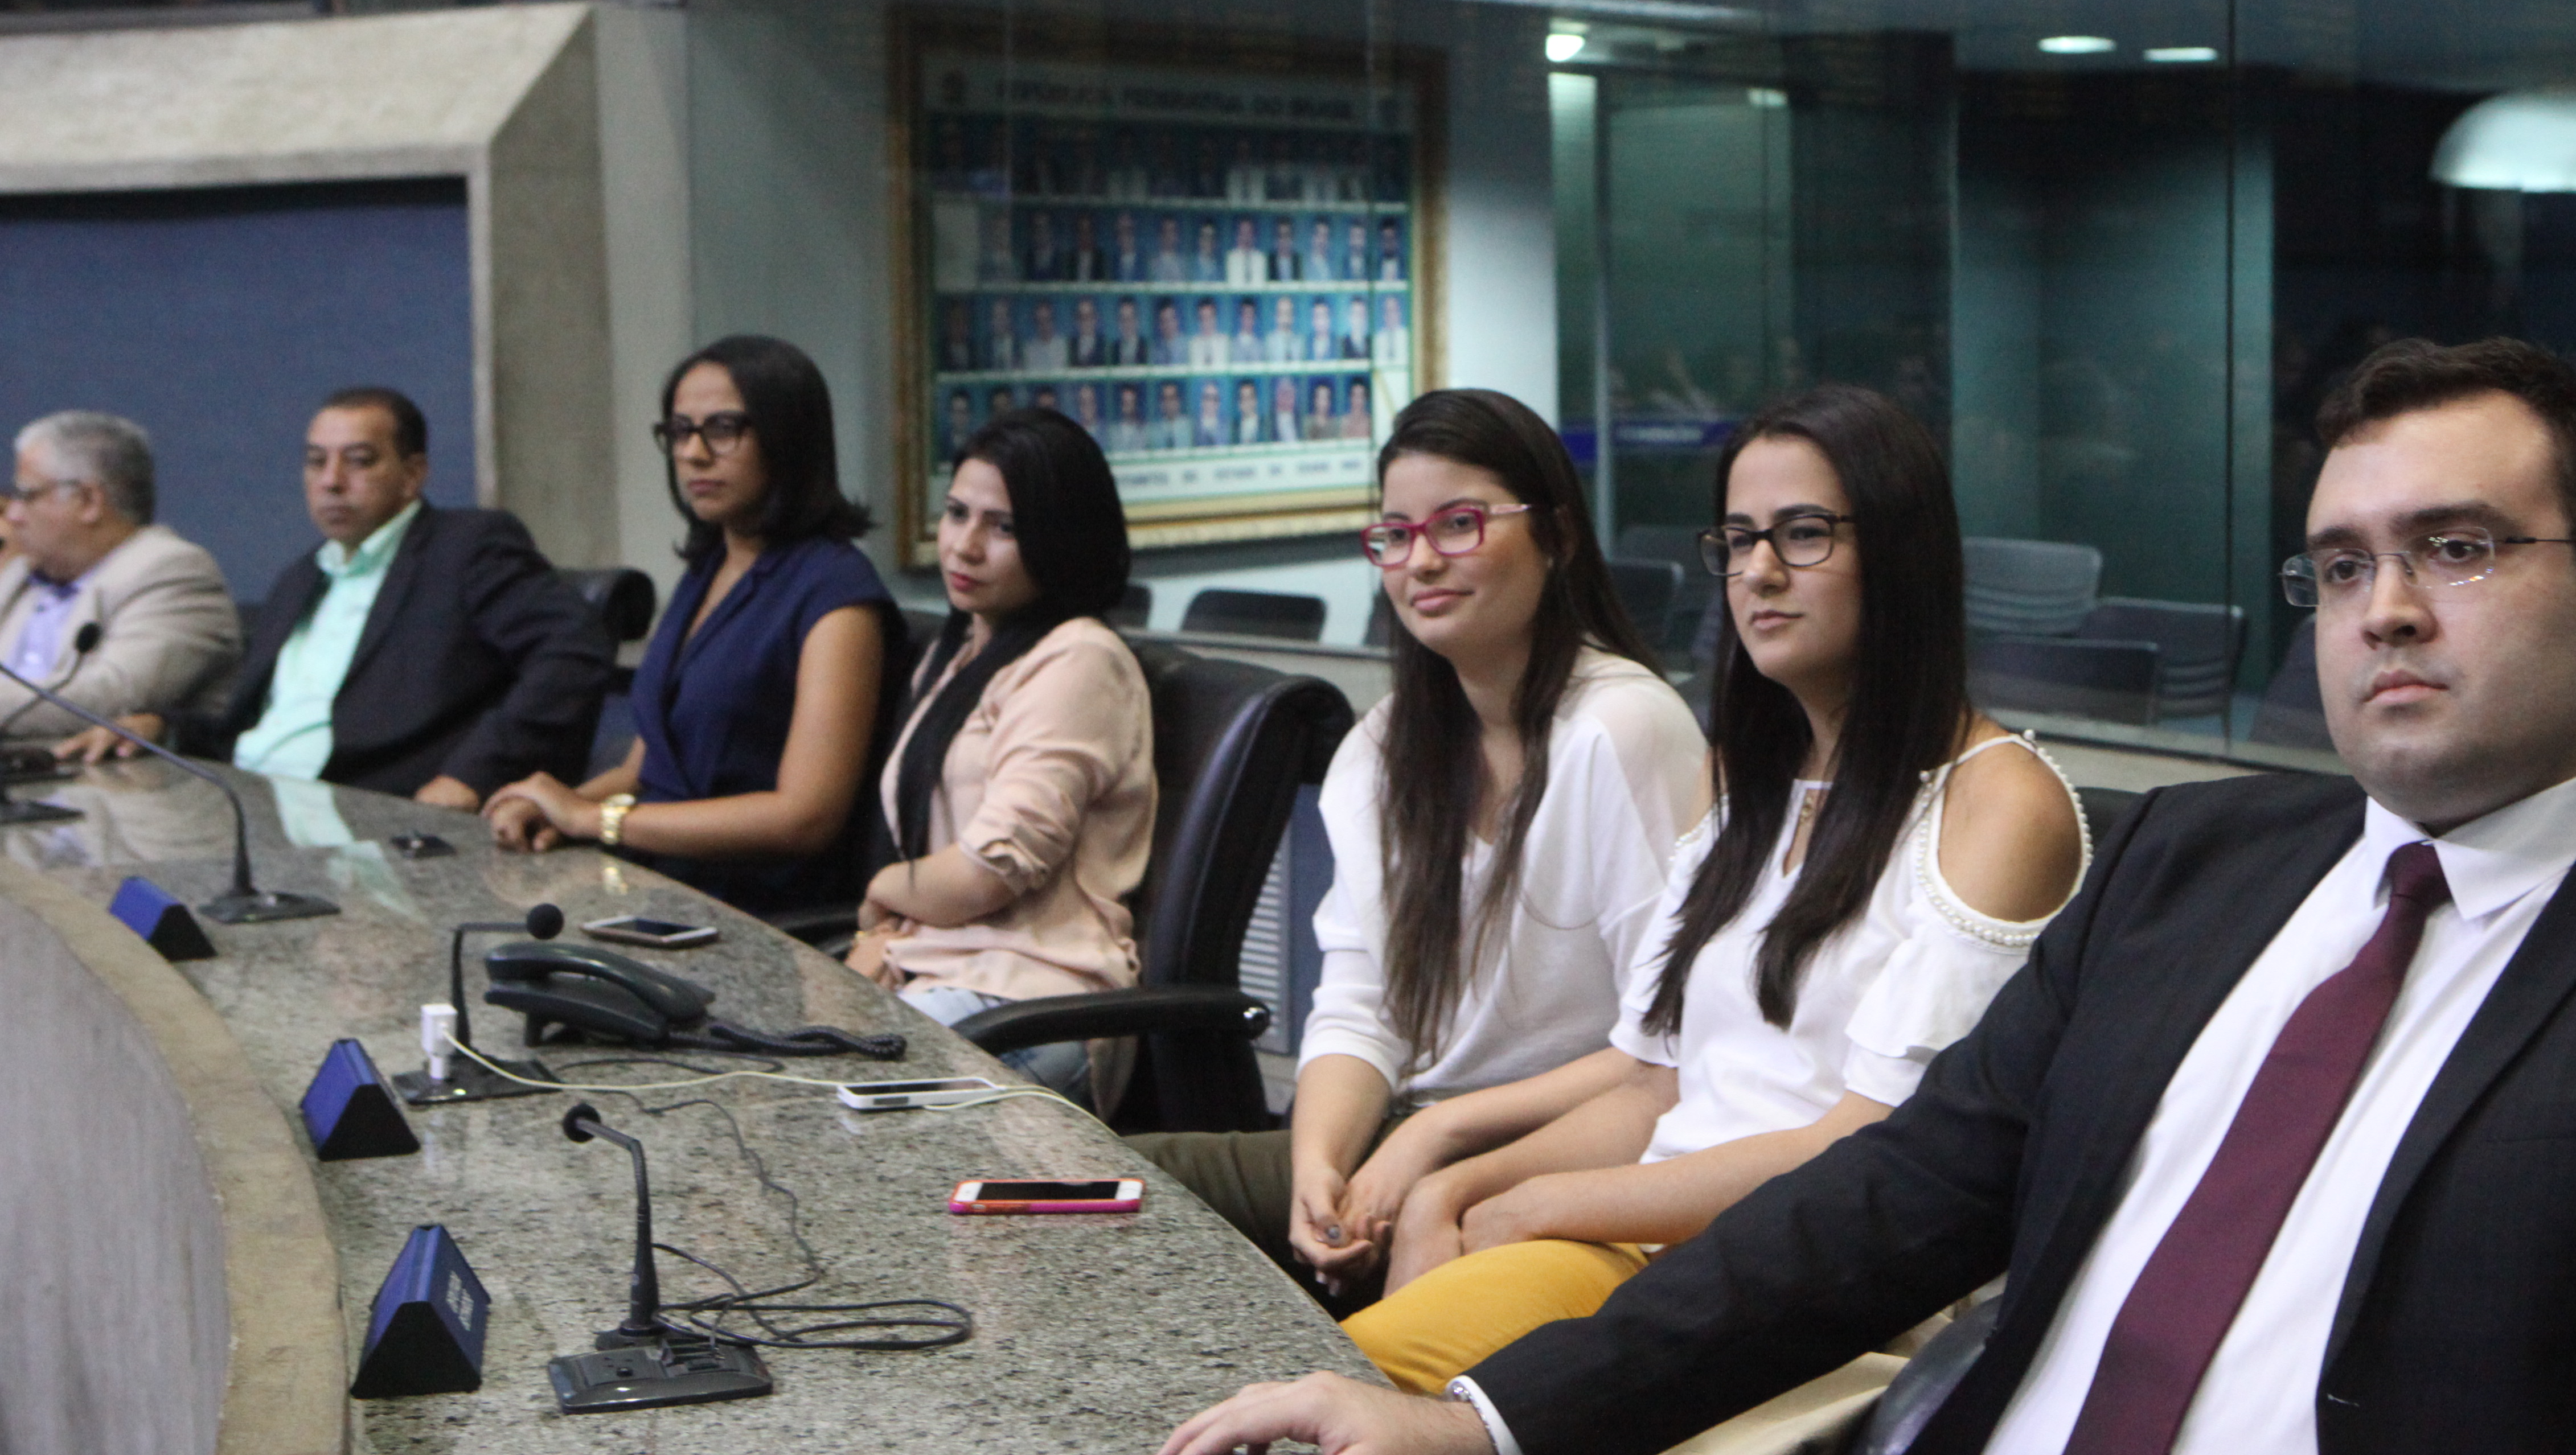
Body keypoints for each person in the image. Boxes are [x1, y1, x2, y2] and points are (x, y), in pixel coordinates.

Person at [1160, 338, 2576, 1455]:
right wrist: (1480, 1425)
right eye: (2340, 564)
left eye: (2455, 550)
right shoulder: (2196, 868)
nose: (2382, 612)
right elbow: (1889, 1203)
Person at [1323, 383, 2085, 1397]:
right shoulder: (1744, 782)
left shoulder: (2001, 802)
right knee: (1326, 1390)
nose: (1759, 571)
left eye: (1803, 534)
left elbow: (1868, 1144)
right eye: (1737, 540)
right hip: (1655, 1244)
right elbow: (1655, 1085)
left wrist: (1540, 1203)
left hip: (1803, 1289)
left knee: (1346, 1397)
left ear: (1901, 553)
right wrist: (1453, 1186)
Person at [1135, 388, 1708, 1289]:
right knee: (1083, 1189)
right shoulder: (1383, 748)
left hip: (1563, 1150)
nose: (1423, 561)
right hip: (1410, 1130)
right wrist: (1318, 1165)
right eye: (1396, 536)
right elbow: (1362, 1005)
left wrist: (1436, 1135)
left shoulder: (1621, 728)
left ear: (1557, 535)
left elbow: (1674, 1047)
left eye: (1460, 524)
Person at [484, 337, 895, 917]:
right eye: (680, 431)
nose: (693, 454)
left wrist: (595, 819)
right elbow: (643, 770)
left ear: (788, 438)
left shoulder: (838, 592)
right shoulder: (708, 570)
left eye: (723, 429)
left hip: (756, 911)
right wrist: (554, 807)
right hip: (659, 883)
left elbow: (805, 817)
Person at [84, 388, 608, 806]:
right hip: (254, 805)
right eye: (316, 462)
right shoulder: (301, 580)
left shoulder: (467, 549)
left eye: (359, 461)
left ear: (413, 474)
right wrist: (163, 727)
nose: (332, 482)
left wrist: (474, 774)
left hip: (374, 813)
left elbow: (572, 651)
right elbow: (253, 730)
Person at [850, 408, 1152, 1105]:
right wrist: (893, 936)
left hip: (1034, 998)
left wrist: (887, 889)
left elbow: (987, 874)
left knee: (844, 1114)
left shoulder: (1080, 659)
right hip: (942, 972)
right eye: (958, 514)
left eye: (1004, 527)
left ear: (1062, 538)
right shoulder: (961, 652)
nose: (966, 546)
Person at [0, 411, 239, 746]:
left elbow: (112, 698)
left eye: (27, 496)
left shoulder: (172, 572)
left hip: (104, 776)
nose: (13, 515)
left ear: (88, 502)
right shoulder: (20, 576)